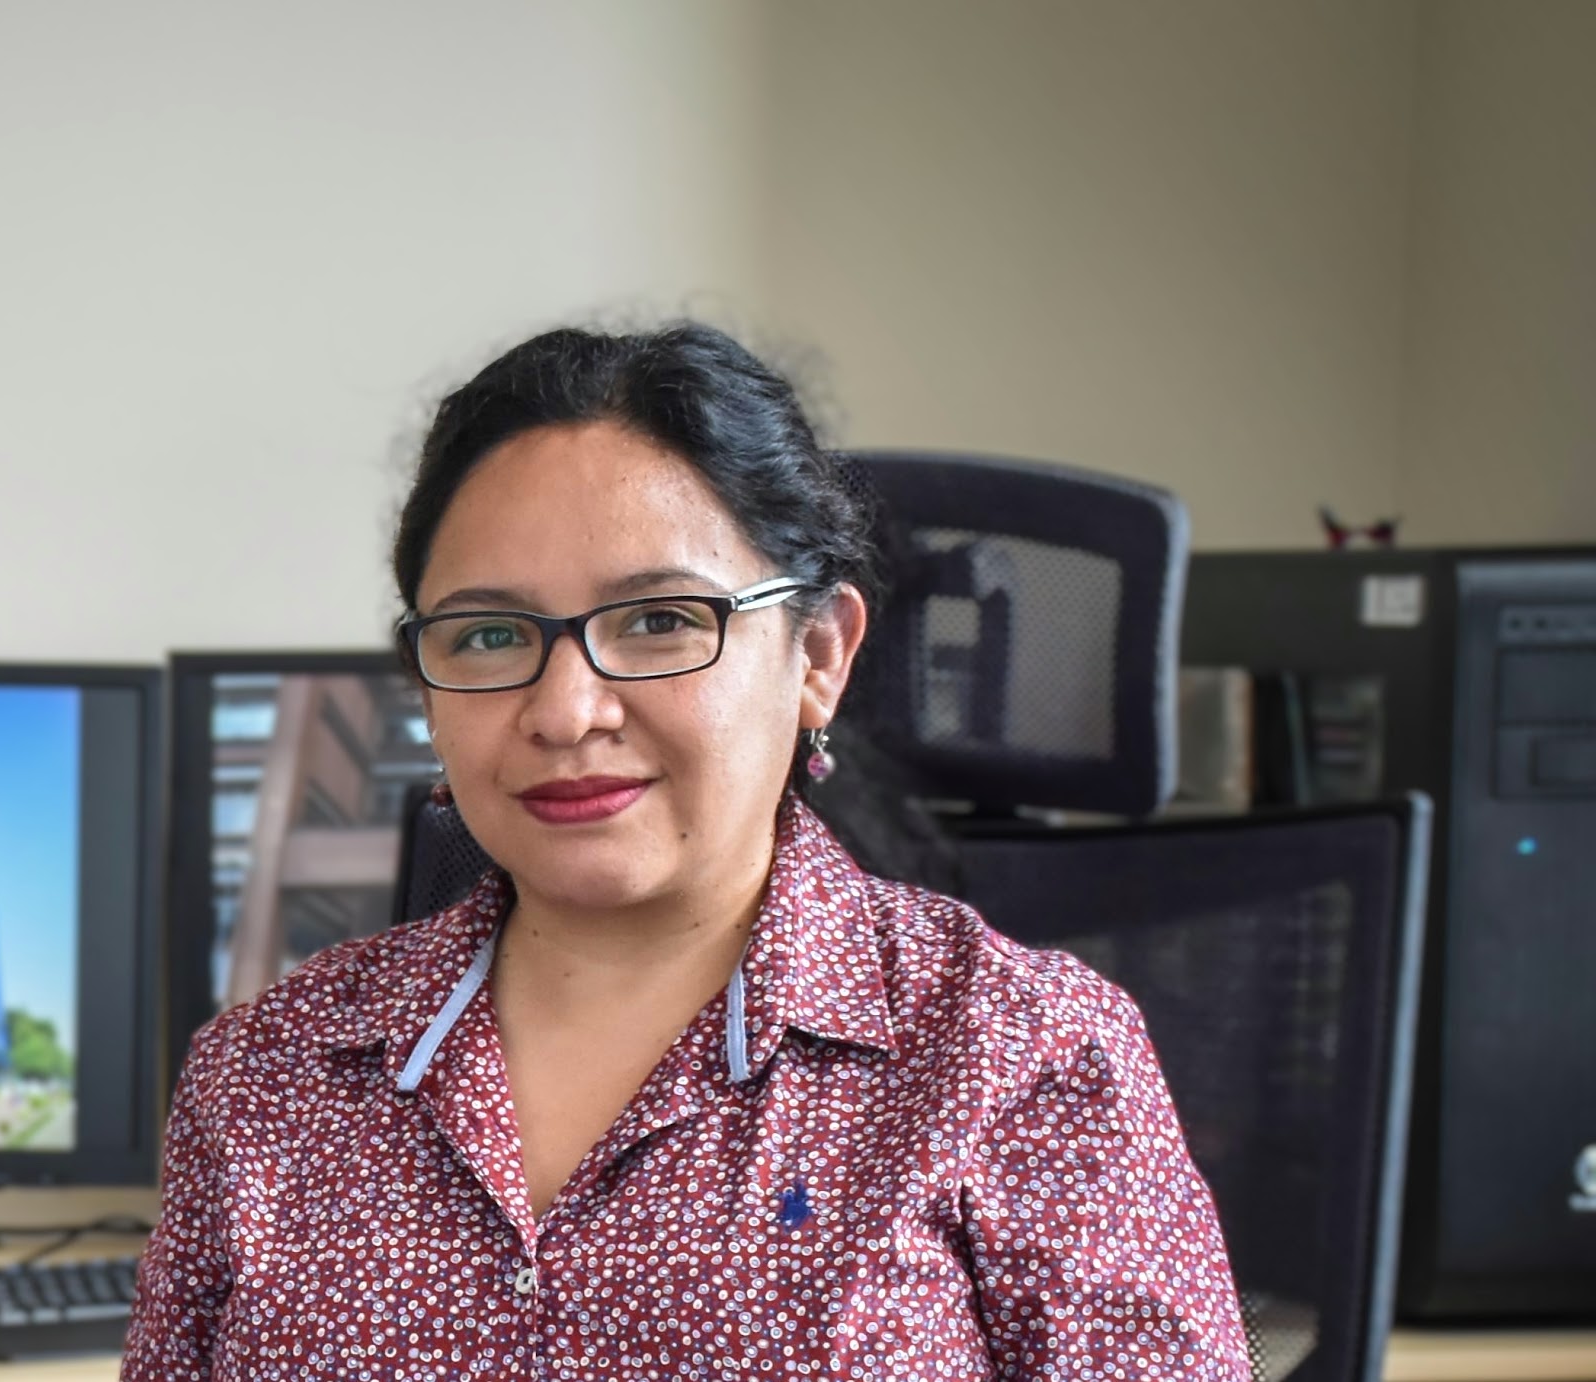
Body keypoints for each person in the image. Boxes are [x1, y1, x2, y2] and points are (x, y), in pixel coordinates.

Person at [125, 324, 1248, 1380]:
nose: (565, 711)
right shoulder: (265, 1075)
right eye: (488, 635)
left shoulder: (1017, 1056)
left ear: (818, 653)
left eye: (659, 621)